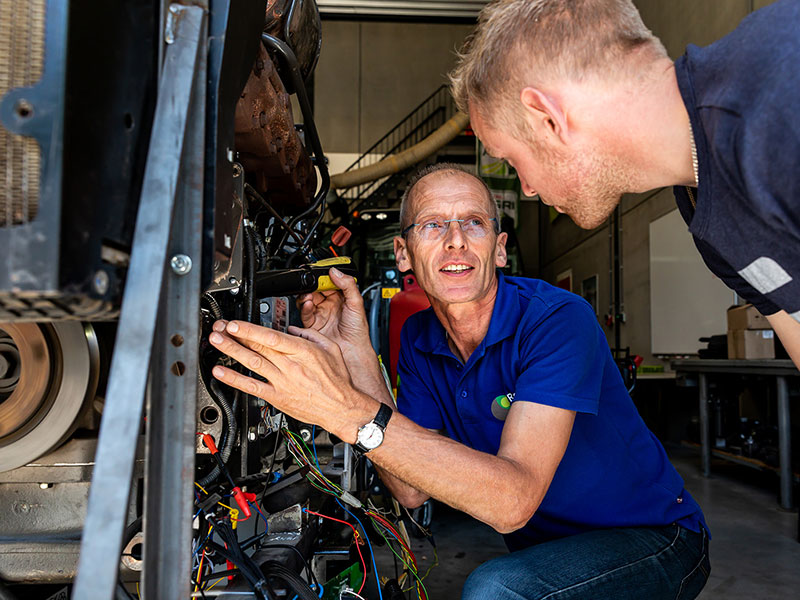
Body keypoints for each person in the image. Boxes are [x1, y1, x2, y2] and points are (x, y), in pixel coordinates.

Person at [209, 164, 710, 599]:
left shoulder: (558, 319)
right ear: (403, 255)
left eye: (473, 222)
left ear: (498, 249)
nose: (455, 240)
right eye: (433, 225)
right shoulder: (423, 338)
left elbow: (511, 502)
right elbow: (408, 488)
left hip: (655, 537)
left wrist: (339, 408)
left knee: (499, 589)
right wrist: (356, 352)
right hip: (553, 549)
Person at [449, 0, 800, 368]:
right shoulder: (703, 210)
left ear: (547, 120)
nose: (527, 189)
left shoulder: (780, 89)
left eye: (511, 160)